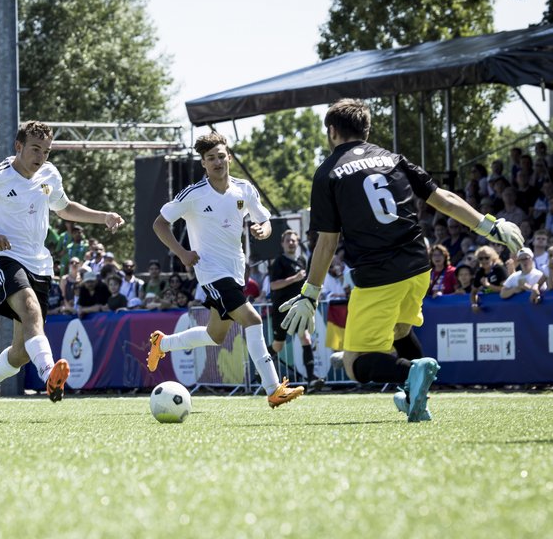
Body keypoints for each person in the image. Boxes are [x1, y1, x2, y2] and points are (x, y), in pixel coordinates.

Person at [277, 98, 523, 422]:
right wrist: (490, 225)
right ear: (366, 129)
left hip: (378, 275)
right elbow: (444, 199)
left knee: (355, 363)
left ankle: (411, 374)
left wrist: (310, 293)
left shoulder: (328, 173)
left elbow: (326, 243)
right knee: (399, 331)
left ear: (332, 131)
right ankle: (415, 401)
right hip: (418, 267)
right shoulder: (392, 159)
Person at [0, 121, 124, 420]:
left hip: (41, 265)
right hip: (6, 258)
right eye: (35, 149)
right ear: (18, 147)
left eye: (46, 151)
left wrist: (104, 217)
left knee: (19, 354)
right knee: (31, 310)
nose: (41, 156)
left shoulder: (50, 174)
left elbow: (64, 207)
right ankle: (49, 374)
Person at [146, 131, 304, 408]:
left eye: (221, 156)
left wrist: (262, 231)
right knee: (253, 321)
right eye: (211, 158)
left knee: (214, 335)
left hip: (235, 271)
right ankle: (273, 388)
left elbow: (265, 222)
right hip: (210, 272)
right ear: (203, 164)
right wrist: (182, 253)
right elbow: (159, 224)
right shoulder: (193, 194)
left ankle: (163, 344)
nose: (218, 162)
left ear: (228, 157)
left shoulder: (244, 189)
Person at [268, 229, 321, 389]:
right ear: (282, 244)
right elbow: (273, 285)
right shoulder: (278, 262)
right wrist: (294, 278)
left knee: (305, 337)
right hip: (281, 310)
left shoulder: (302, 260)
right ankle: (261, 368)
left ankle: (311, 378)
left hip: (298, 307)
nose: (291, 243)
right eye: (288, 241)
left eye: (294, 240)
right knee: (279, 345)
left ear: (298, 243)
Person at [470, 245, 509, 313]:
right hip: (488, 308)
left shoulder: (499, 269)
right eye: (480, 258)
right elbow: (473, 292)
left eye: (487, 258)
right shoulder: (480, 272)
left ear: (493, 257)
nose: (484, 260)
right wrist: (474, 304)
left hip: (503, 305)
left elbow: (505, 289)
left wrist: (488, 285)